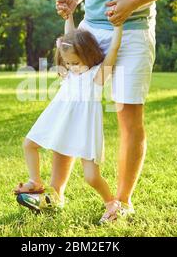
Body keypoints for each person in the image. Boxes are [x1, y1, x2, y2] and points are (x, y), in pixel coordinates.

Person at [54, 0, 177, 219]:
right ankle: (55, 192)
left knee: (128, 114)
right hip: (89, 30)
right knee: (71, 107)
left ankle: (123, 202)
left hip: (132, 31)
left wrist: (133, 3)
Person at [15, 13, 124, 223]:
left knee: (91, 177)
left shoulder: (97, 75)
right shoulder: (71, 72)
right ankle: (36, 183)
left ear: (88, 54)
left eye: (74, 62)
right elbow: (70, 36)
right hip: (60, 119)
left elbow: (114, 51)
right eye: (67, 63)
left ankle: (112, 203)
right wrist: (70, 15)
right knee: (29, 144)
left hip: (83, 128)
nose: (70, 67)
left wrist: (118, 27)